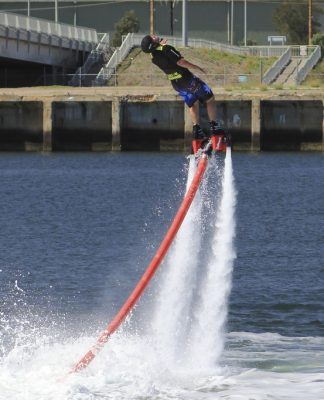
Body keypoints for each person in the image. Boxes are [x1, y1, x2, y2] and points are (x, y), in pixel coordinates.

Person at [141, 34, 221, 140]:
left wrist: (159, 45)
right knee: (210, 99)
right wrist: (198, 68)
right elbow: (180, 62)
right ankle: (215, 128)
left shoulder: (153, 56)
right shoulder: (167, 48)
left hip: (177, 84)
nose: (154, 35)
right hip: (188, 80)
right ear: (153, 43)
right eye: (153, 37)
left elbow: (160, 53)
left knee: (193, 103)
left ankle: (197, 131)